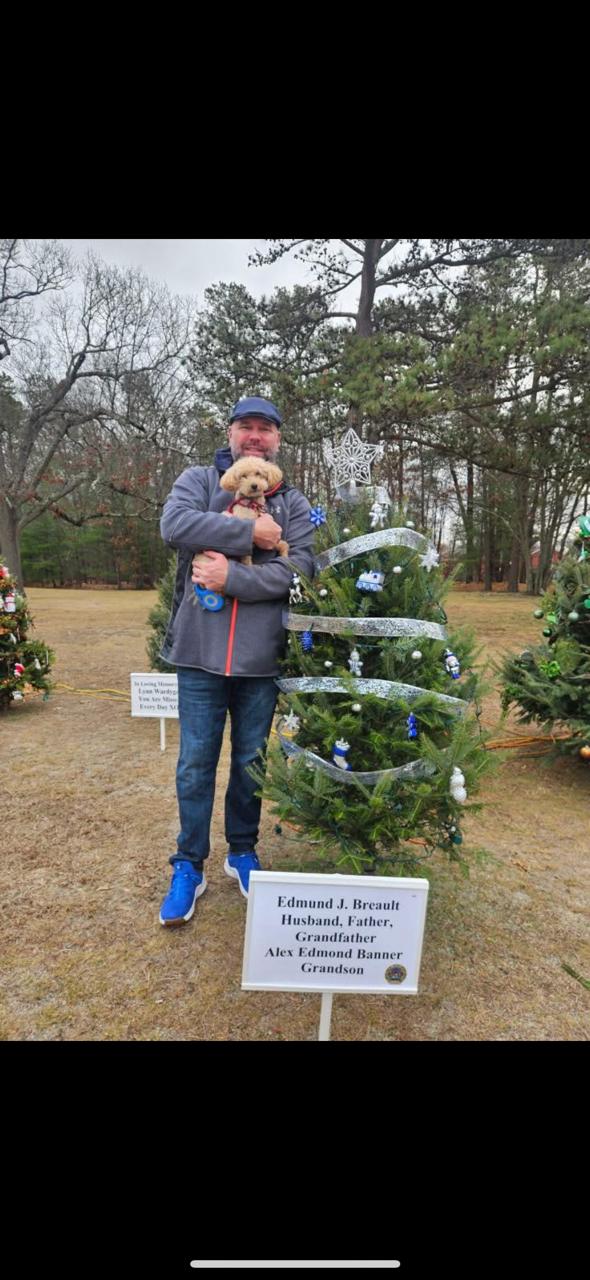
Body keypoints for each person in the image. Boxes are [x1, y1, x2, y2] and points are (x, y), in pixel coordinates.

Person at [158, 396, 316, 925]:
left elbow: (300, 572)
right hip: (199, 654)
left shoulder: (293, 502)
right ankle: (189, 864)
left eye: (264, 429)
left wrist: (235, 579)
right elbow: (176, 526)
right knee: (195, 764)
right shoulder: (199, 480)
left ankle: (242, 852)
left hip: (261, 658)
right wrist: (252, 534)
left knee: (251, 764)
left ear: (276, 441)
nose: (254, 435)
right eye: (245, 426)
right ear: (231, 433)